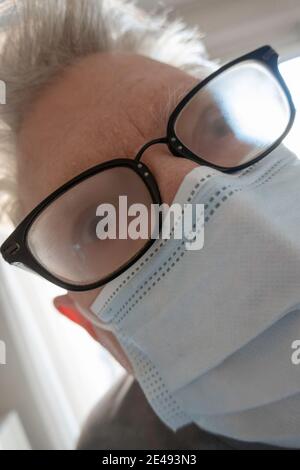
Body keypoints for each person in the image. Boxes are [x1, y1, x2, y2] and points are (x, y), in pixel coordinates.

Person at [1, 0, 300, 450]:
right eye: (103, 221)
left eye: (216, 125)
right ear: (98, 333)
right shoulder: (117, 445)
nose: (197, 191)